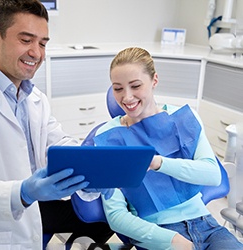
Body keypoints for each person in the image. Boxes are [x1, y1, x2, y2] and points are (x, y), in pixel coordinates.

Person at [93, 47, 243, 250]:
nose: (127, 97)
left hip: (207, 225)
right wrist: (172, 240)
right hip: (158, 233)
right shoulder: (107, 138)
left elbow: (213, 175)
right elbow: (117, 216)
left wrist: (158, 163)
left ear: (154, 81)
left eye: (135, 86)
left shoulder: (183, 119)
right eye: (118, 88)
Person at [0, 0, 113, 249]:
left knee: (106, 216)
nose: (36, 53)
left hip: (35, 211)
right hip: (0, 225)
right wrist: (22, 193)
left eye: (43, 43)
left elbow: (58, 143)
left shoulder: (34, 98)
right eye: (26, 40)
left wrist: (93, 165)